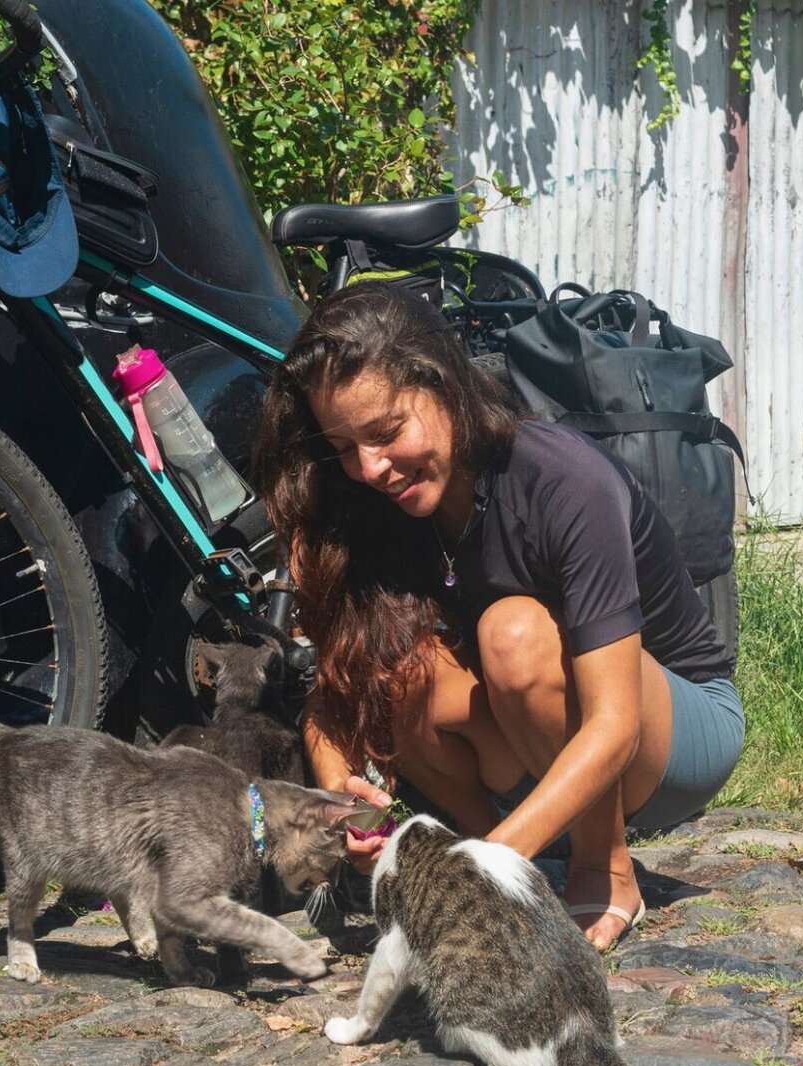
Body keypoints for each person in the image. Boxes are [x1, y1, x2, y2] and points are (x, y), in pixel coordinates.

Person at [255, 281, 744, 951]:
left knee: (512, 633)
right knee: (401, 667)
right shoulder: (372, 503)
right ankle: (524, 864)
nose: (370, 467)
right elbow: (330, 701)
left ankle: (601, 867)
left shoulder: (561, 480)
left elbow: (614, 721)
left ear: (445, 385)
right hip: (536, 739)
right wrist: (339, 790)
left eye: (386, 432)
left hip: (675, 731)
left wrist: (469, 875)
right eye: (344, 445)